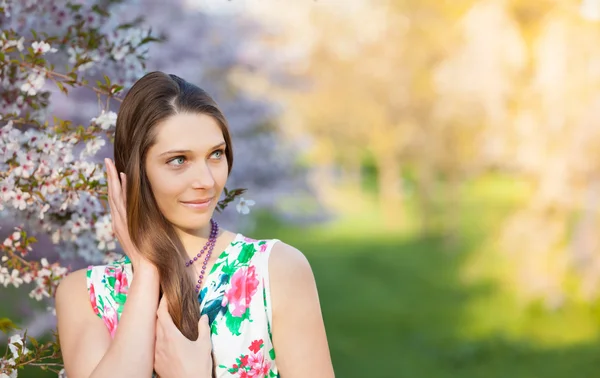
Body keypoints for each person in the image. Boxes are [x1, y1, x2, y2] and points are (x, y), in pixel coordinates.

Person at [55, 71, 335, 378]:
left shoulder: (276, 271)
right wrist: (147, 271)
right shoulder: (84, 295)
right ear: (135, 171)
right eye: (179, 160)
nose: (206, 181)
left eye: (216, 154)